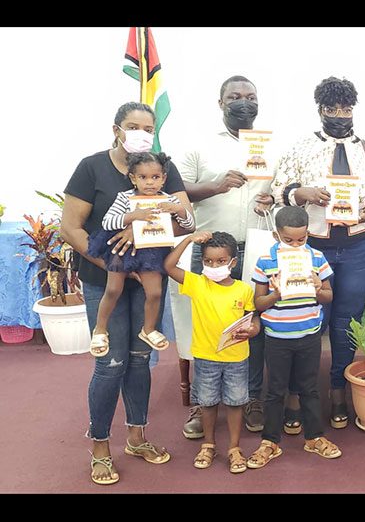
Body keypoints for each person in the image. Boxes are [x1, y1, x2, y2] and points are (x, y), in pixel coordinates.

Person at [61, 101, 191, 486]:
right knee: (111, 364)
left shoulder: (163, 170)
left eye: (147, 128)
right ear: (116, 129)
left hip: (150, 274)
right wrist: (117, 264)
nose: (140, 133)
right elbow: (71, 228)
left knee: (140, 359)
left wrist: (171, 220)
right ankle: (100, 444)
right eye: (132, 126)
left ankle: (137, 436)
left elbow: (184, 221)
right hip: (108, 279)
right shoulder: (92, 167)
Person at [270, 76, 365, 429]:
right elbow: (280, 190)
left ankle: (338, 390)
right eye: (332, 108)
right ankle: (297, 393)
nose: (340, 114)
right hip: (312, 246)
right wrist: (301, 193)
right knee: (305, 320)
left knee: (344, 322)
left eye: (346, 108)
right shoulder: (300, 148)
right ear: (320, 110)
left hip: (359, 246)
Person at [179, 75, 276, 438]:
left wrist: (274, 199)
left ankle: (251, 398)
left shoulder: (272, 146)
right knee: (205, 325)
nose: (243, 102)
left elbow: (282, 193)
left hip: (255, 248)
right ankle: (203, 406)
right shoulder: (198, 145)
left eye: (250, 96)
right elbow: (178, 191)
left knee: (251, 325)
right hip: (210, 250)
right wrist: (216, 186)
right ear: (220, 103)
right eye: (234, 97)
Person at [246, 206, 342, 469]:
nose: (296, 245)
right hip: (277, 335)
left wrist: (317, 286)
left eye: (302, 239)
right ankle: (270, 442)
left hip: (309, 333)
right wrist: (276, 294)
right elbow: (259, 303)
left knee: (310, 388)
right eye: (289, 240)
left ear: (308, 234)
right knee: (275, 390)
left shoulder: (316, 257)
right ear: (277, 236)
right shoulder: (266, 260)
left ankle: (314, 437)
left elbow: (328, 297)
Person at [164, 231, 260, 473]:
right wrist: (188, 240)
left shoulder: (244, 290)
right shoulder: (197, 283)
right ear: (202, 261)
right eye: (208, 261)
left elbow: (254, 320)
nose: (213, 266)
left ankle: (234, 447)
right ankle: (208, 444)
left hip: (237, 357)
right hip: (206, 357)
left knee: (236, 402)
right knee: (207, 402)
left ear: (232, 263)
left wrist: (252, 331)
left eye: (220, 261)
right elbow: (168, 266)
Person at [86, 152, 194, 357]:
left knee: (154, 293)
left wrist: (178, 210)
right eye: (143, 177)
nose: (150, 182)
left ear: (163, 178)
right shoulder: (125, 197)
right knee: (113, 289)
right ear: (133, 178)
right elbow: (107, 222)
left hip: (152, 252)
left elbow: (188, 225)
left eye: (155, 177)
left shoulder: (168, 199)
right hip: (124, 250)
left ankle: (149, 329)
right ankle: (100, 329)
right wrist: (132, 216)